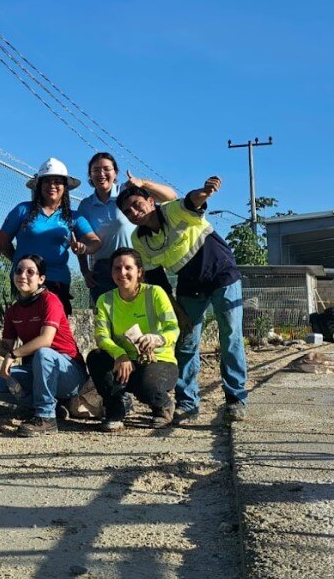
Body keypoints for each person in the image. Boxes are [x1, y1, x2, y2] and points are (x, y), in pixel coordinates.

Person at [117, 175, 247, 422]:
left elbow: (191, 201)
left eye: (136, 204)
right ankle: (187, 403)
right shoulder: (139, 239)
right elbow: (157, 279)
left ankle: (235, 399)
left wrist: (205, 192)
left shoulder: (172, 211)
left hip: (221, 272)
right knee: (186, 341)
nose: (133, 212)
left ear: (151, 201)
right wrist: (175, 309)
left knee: (230, 335)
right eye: (127, 211)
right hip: (189, 284)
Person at [0, 254, 87, 437]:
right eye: (19, 271)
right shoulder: (14, 310)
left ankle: (46, 418)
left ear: (41, 279)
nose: (23, 275)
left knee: (44, 354)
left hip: (69, 372)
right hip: (38, 371)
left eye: (30, 272)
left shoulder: (50, 300)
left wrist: (13, 355)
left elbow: (46, 340)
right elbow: (5, 349)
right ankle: (52, 406)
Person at [87, 248, 179, 431]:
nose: (122, 273)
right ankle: (115, 410)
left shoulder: (155, 293)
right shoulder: (105, 300)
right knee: (96, 358)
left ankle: (162, 406)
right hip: (124, 361)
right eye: (117, 268)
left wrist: (157, 339)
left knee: (146, 383)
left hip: (159, 360)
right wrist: (120, 354)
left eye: (128, 268)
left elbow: (173, 327)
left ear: (139, 272)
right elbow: (102, 336)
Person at [0, 158, 101, 315]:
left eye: (57, 181)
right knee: (27, 328)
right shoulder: (22, 210)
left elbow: (95, 242)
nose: (52, 186)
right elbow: (2, 242)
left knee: (55, 333)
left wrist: (83, 248)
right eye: (46, 181)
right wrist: (20, 262)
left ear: (65, 187)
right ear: (39, 186)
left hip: (57, 281)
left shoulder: (74, 217)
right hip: (24, 280)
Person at [77, 152, 177, 305]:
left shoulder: (128, 192)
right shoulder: (85, 205)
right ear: (90, 175)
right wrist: (85, 270)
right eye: (96, 170)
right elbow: (80, 238)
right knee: (108, 319)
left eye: (106, 169)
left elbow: (170, 197)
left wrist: (144, 183)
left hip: (138, 263)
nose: (101, 174)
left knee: (148, 313)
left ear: (115, 172)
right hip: (104, 270)